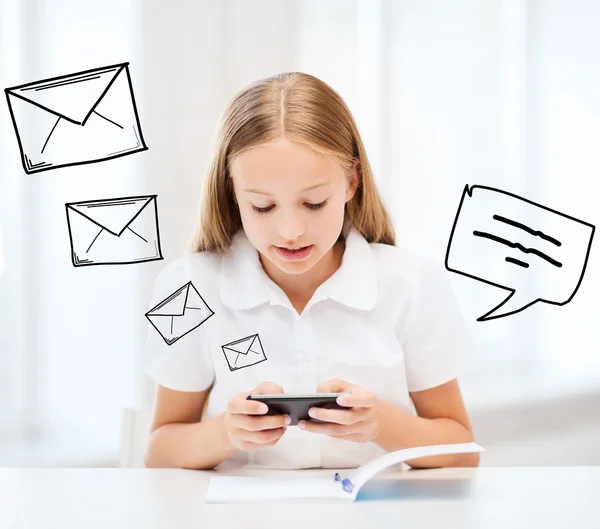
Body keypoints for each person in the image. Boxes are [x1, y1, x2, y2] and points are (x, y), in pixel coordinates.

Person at [143, 72, 479, 471]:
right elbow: (158, 452)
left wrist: (381, 424)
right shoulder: (183, 288)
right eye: (263, 207)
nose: (290, 232)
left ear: (352, 181)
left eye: (315, 203)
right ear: (232, 192)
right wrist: (226, 433)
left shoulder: (413, 283)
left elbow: (461, 450)